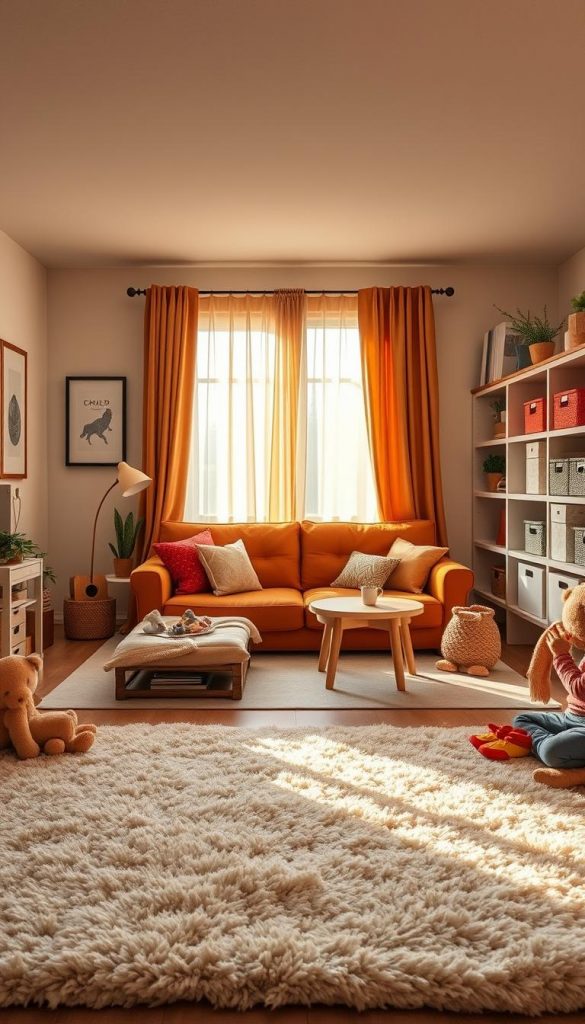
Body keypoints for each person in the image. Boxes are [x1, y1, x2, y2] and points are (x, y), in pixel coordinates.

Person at [513, 623, 585, 770]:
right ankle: (560, 746)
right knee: (521, 719)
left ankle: (545, 747)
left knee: (550, 752)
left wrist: (561, 655)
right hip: (571, 717)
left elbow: (579, 689)